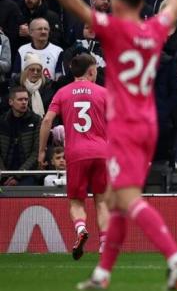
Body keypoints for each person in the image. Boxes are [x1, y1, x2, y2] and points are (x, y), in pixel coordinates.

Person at [32, 0, 177, 289]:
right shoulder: (154, 30)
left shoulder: (114, 29)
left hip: (123, 127)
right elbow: (174, 6)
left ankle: (175, 256)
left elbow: (74, 4)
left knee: (127, 198)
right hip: (148, 123)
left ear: (118, 4)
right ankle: (102, 275)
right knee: (116, 202)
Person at [38, 54, 109, 260]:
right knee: (102, 201)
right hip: (101, 152)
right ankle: (104, 244)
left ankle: (80, 230)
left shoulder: (62, 93)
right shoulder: (103, 92)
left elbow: (47, 121)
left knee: (77, 201)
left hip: (76, 153)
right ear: (91, 71)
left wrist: (42, 151)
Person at [0, 86, 41, 186]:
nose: (24, 102)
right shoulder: (1, 121)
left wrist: (18, 176)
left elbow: (36, 152)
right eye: (20, 99)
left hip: (27, 174)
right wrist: (5, 175)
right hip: (3, 173)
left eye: (26, 99)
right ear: (11, 102)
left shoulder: (36, 120)